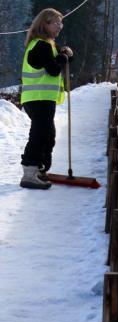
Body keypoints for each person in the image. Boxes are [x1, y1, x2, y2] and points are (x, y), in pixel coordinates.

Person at [19, 8, 73, 189]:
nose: (60, 27)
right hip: (38, 98)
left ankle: (39, 169)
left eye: (61, 23)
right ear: (45, 24)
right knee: (40, 134)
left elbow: (55, 61)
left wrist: (64, 55)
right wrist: (64, 57)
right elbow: (54, 69)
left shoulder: (45, 45)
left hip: (40, 98)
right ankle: (29, 172)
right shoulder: (41, 45)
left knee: (48, 134)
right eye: (56, 23)